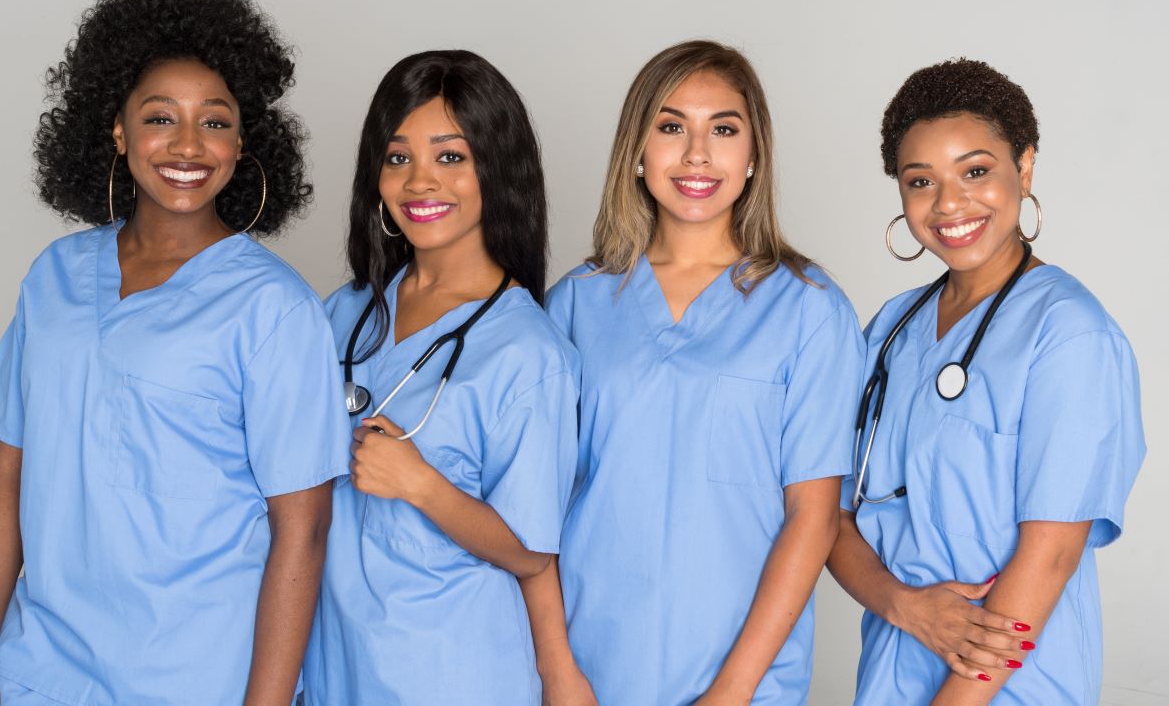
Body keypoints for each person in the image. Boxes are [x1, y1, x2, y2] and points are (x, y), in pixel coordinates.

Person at [0, 0, 348, 706]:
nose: (186, 145)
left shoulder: (274, 309)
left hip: (193, 680)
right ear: (117, 131)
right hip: (36, 673)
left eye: (214, 121)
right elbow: (8, 478)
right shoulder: (56, 278)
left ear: (243, 142)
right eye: (159, 118)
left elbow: (301, 532)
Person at [529, 40, 865, 705]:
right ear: (637, 150)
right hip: (592, 666)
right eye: (672, 126)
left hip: (744, 680)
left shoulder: (810, 310)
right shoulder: (576, 303)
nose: (697, 155)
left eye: (724, 130)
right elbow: (532, 510)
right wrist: (557, 671)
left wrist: (732, 693)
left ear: (754, 157)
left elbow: (814, 517)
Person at [826, 58, 1146, 705]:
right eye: (922, 181)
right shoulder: (891, 329)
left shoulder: (1070, 334)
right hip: (891, 665)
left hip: (1013, 682)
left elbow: (1051, 553)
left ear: (1023, 168)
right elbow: (828, 511)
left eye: (975, 171)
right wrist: (903, 606)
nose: (949, 204)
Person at [302, 50, 579, 705]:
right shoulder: (342, 314)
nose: (420, 182)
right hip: (334, 666)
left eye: (451, 157)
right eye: (398, 158)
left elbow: (530, 552)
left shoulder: (525, 350)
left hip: (452, 671)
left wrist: (422, 486)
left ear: (496, 167)